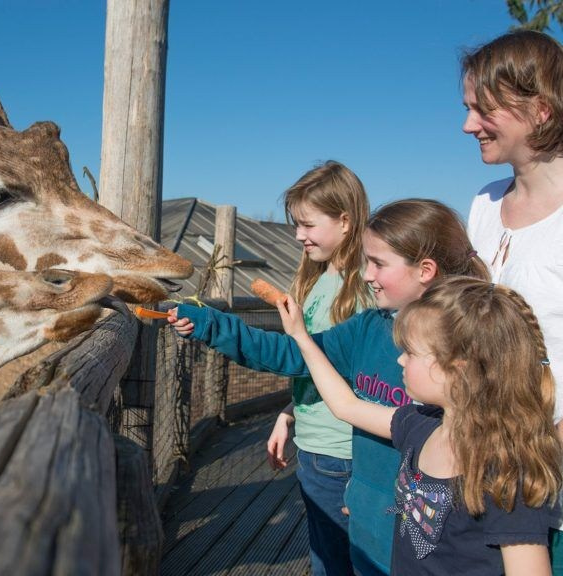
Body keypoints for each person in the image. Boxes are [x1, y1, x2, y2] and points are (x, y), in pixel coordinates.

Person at [168, 198, 488, 576]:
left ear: (425, 270)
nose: (367, 275)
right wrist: (213, 326)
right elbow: (297, 356)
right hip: (368, 522)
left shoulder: (467, 345)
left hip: (427, 541)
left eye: (379, 264)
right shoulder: (369, 327)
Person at [272, 276, 563, 575]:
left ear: (456, 369)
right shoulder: (419, 426)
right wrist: (301, 337)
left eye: (410, 352)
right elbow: (346, 406)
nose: (399, 360)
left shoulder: (507, 474)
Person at [462, 30, 563, 571]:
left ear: (540, 110)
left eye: (483, 110)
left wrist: (538, 456)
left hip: (548, 484)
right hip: (483, 471)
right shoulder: (483, 203)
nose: (467, 125)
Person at [264, 160, 373, 575]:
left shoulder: (361, 288)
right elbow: (317, 365)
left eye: (308, 224)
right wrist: (287, 414)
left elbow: (345, 368)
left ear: (345, 221)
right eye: (296, 224)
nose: (297, 235)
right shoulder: (317, 279)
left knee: (338, 562)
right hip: (315, 444)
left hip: (340, 452)